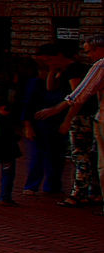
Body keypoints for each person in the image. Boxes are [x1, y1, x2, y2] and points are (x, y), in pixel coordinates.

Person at [38, 34, 104, 207]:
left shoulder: (93, 66)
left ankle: (81, 192)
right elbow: (51, 87)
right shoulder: (67, 69)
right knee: (93, 156)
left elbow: (79, 95)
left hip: (85, 118)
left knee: (82, 155)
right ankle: (94, 192)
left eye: (89, 51)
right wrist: (53, 70)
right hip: (91, 116)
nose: (88, 55)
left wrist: (65, 117)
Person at [22, 54, 71, 199]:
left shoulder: (59, 86)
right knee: (38, 155)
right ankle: (32, 185)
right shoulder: (35, 84)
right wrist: (28, 126)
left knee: (56, 156)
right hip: (40, 125)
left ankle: (53, 185)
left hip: (55, 124)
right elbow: (28, 105)